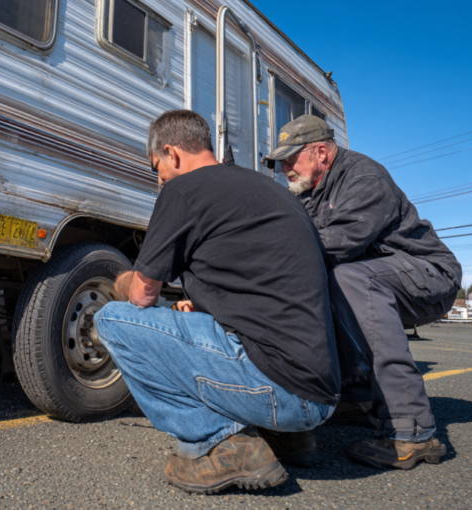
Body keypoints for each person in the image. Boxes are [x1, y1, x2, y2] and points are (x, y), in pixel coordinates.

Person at [94, 110, 340, 495]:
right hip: (320, 396)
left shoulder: (182, 190)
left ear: (172, 154)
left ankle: (219, 445)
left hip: (283, 392)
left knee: (113, 319)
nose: (158, 179)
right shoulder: (272, 190)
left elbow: (143, 293)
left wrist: (122, 279)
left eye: (156, 167)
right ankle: (287, 438)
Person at [263, 115, 462, 470]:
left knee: (348, 278)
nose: (284, 169)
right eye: (280, 162)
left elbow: (331, 246)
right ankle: (354, 398)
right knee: (326, 285)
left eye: (290, 159)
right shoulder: (312, 191)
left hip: (428, 274)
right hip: (380, 274)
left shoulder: (364, 178)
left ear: (320, 152)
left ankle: (412, 430)